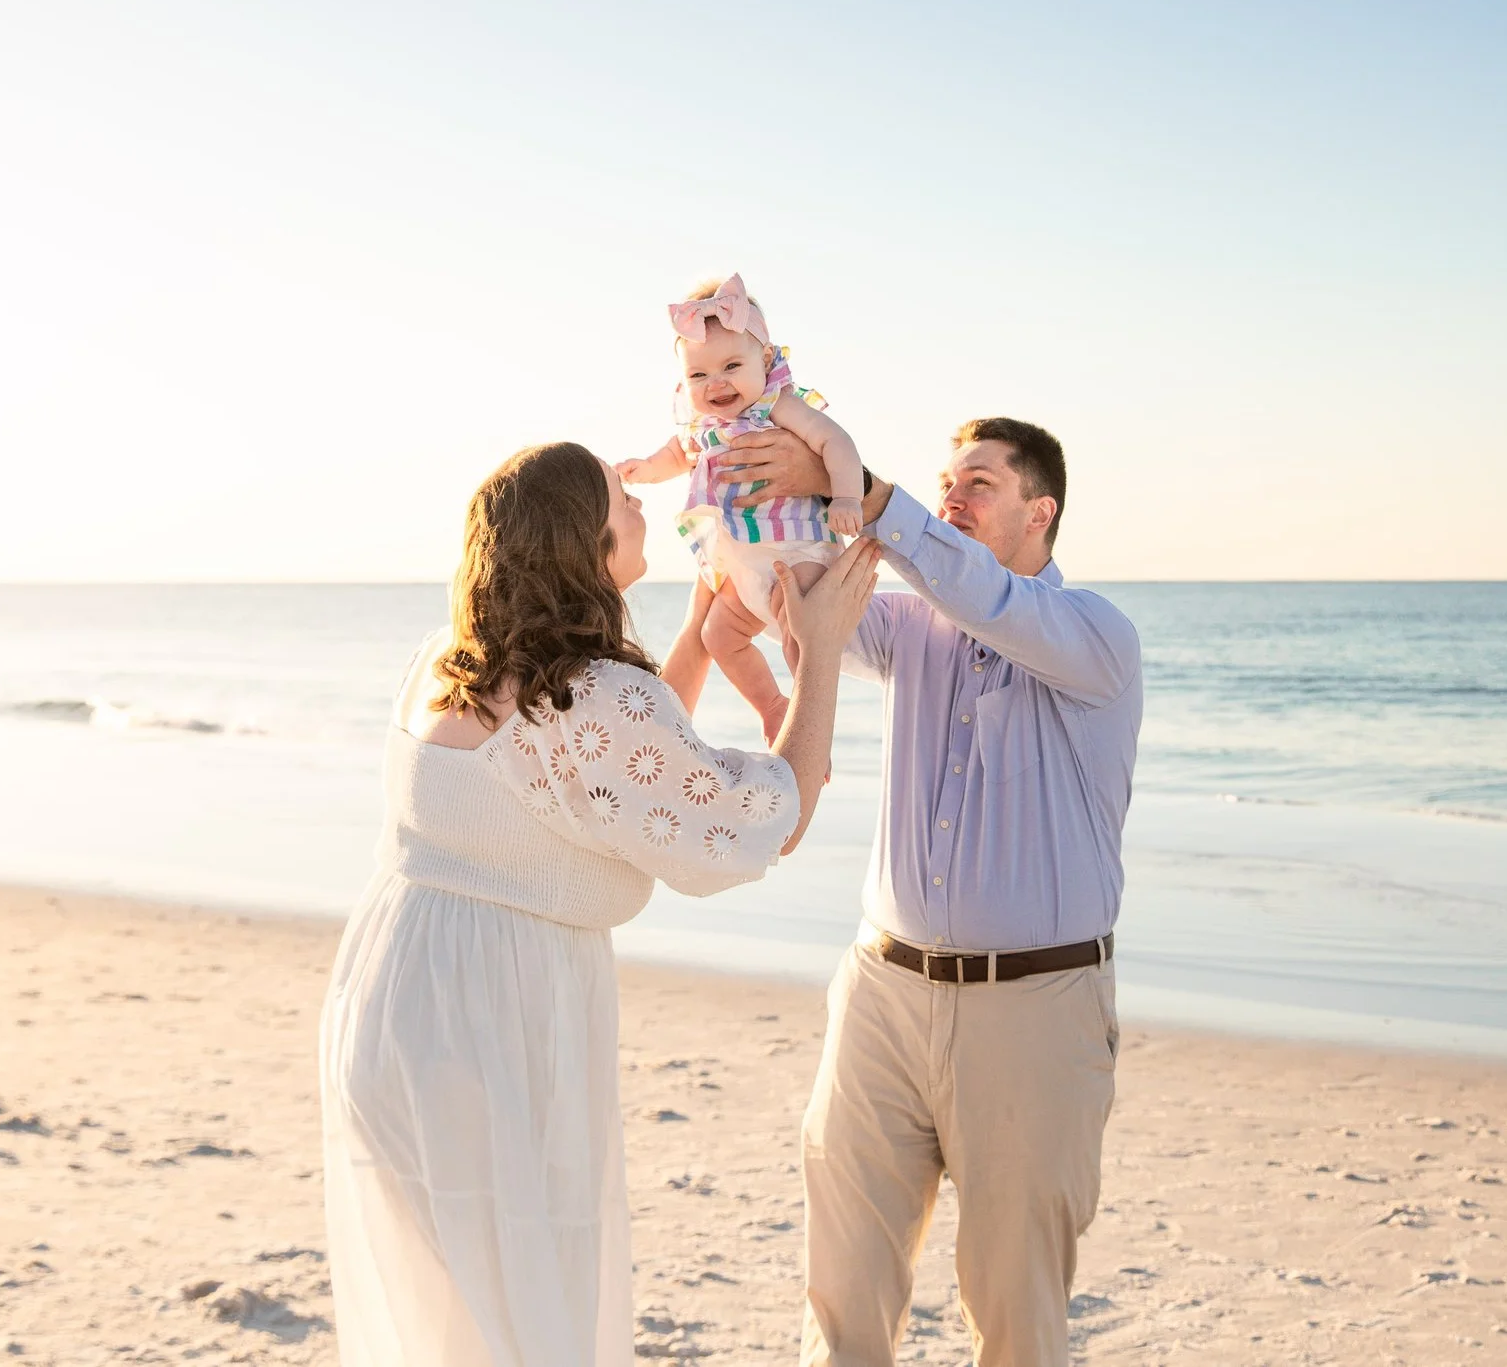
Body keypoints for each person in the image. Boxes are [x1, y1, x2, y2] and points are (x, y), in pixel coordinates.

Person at [318, 440, 881, 1366]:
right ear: (580, 541)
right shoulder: (591, 698)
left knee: (450, 1311)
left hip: (393, 998)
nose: (641, 505)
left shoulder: (445, 661)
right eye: (622, 498)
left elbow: (617, 782)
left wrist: (700, 632)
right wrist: (818, 649)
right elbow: (762, 817)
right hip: (495, 1017)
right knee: (524, 1307)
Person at [714, 417, 1143, 1367]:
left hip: (1036, 1011)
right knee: (842, 1297)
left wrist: (863, 487)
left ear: (1043, 512)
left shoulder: (1096, 638)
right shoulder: (911, 625)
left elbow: (985, 595)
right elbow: (793, 589)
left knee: (1016, 1310)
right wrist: (749, 457)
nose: (952, 495)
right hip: (881, 999)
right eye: (947, 479)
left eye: (980, 483)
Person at [618, 273, 865, 739]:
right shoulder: (702, 424)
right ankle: (772, 706)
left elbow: (836, 441)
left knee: (802, 634)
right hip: (744, 562)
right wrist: (645, 469)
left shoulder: (776, 406)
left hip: (797, 552)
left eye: (732, 366)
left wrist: (848, 496)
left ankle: (810, 730)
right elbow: (677, 454)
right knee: (718, 636)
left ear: (765, 359)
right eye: (698, 375)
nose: (716, 384)